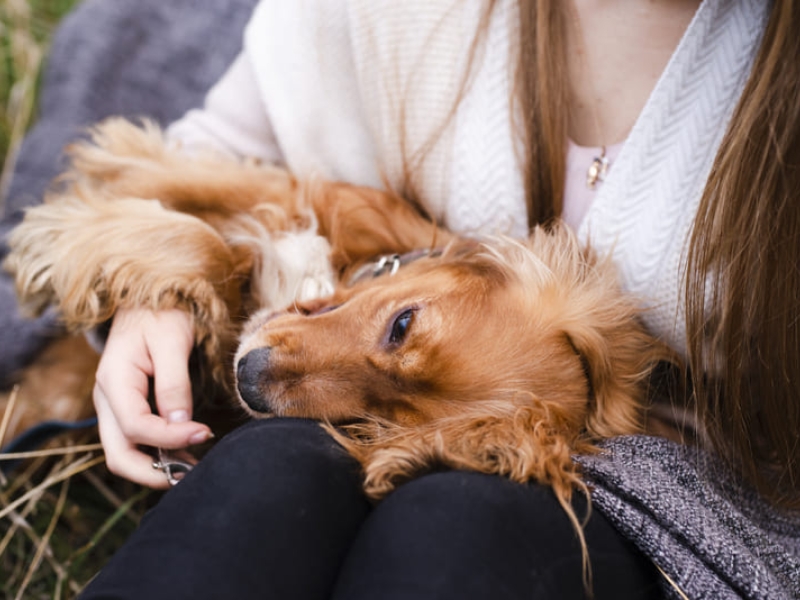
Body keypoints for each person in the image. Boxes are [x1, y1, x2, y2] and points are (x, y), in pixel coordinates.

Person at [16, 0, 798, 598]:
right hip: (353, 443)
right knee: (269, 472)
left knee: (453, 527)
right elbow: (209, 152)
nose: (269, 374)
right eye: (400, 328)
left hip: (663, 495)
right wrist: (156, 293)